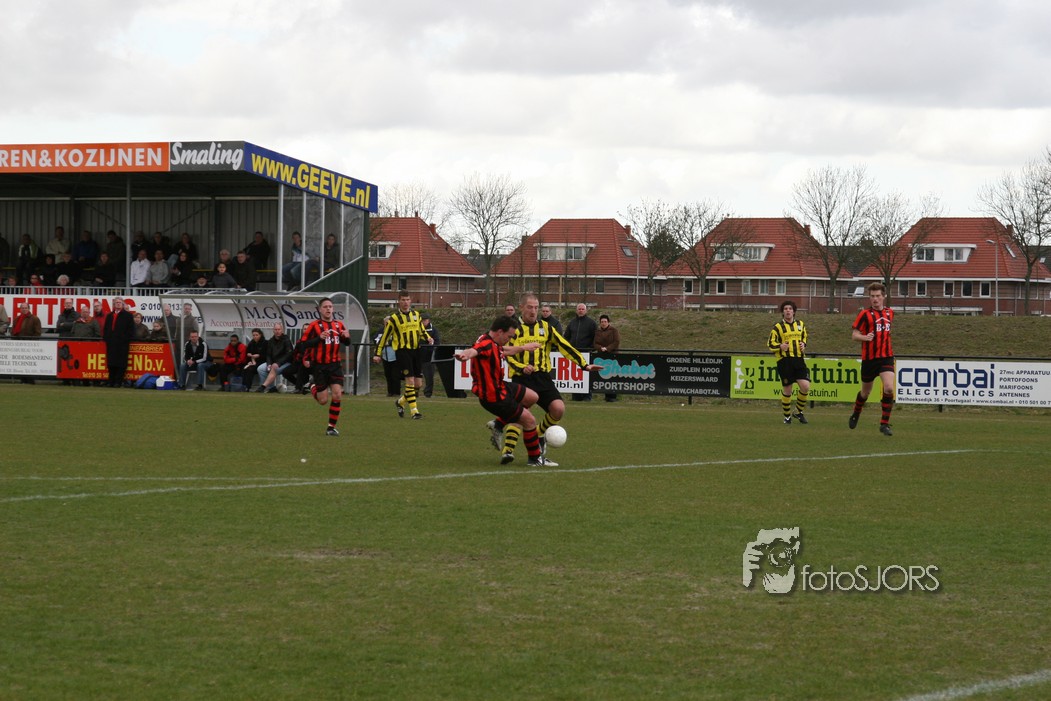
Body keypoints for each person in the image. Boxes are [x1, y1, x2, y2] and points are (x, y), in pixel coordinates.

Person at [494, 293, 601, 465]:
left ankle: (537, 434)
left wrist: (584, 365)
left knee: (558, 409)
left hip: (543, 377)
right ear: (521, 308)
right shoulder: (514, 329)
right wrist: (521, 367)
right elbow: (505, 353)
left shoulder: (546, 327)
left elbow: (564, 346)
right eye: (530, 307)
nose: (533, 311)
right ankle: (508, 451)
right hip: (522, 377)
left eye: (536, 307)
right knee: (522, 414)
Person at [455, 315, 548, 467]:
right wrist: (464, 355)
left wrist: (524, 348)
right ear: (499, 332)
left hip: (501, 386)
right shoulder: (486, 344)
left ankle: (498, 424)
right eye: (509, 336)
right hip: (494, 397)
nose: (509, 340)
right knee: (529, 421)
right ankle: (535, 459)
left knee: (532, 397)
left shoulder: (491, 340)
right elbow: (473, 350)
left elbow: (503, 350)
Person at [372, 290, 433, 419]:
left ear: (411, 301)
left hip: (416, 351)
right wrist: (377, 353)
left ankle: (400, 402)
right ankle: (414, 412)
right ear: (398, 301)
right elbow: (384, 337)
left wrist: (428, 338)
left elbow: (421, 330)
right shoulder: (394, 319)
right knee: (409, 381)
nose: (405, 302)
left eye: (407, 300)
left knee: (418, 384)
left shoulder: (416, 315)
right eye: (403, 300)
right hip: (402, 351)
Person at [300, 297, 352, 435]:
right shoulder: (314, 326)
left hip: (335, 365)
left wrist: (347, 337)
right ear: (320, 309)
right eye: (325, 307)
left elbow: (347, 343)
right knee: (323, 400)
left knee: (337, 395)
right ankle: (311, 386)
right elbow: (303, 344)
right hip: (320, 367)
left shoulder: (338, 325)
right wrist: (318, 338)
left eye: (330, 306)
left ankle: (331, 428)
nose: (328, 309)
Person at [850, 282, 896, 436]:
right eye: (872, 296)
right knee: (865, 393)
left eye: (877, 296)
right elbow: (854, 335)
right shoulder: (864, 314)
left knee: (888, 388)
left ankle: (884, 424)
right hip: (869, 360)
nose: (875, 299)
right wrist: (865, 337)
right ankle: (856, 412)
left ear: (884, 296)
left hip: (886, 357)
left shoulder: (890, 313)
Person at [769, 300, 810, 425]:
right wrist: (780, 346)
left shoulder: (800, 324)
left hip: (799, 359)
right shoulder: (778, 327)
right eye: (785, 309)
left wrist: (804, 344)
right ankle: (787, 417)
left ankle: (798, 412)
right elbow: (770, 343)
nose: (788, 311)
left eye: (790, 309)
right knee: (788, 389)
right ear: (783, 312)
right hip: (785, 361)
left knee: (805, 386)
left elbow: (804, 337)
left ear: (794, 311)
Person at [565, 302, 597, 401]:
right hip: (574, 354)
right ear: (576, 310)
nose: (581, 311)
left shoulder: (591, 323)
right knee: (575, 375)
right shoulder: (572, 323)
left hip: (586, 353)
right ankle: (576, 395)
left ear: (586, 311)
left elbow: (595, 337)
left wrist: (591, 348)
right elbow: (566, 337)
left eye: (583, 309)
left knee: (586, 375)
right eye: (579, 309)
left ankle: (587, 396)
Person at [101, 297, 135, 387]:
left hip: (122, 344)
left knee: (121, 363)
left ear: (123, 304)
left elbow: (131, 330)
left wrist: (124, 339)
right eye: (116, 302)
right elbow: (106, 329)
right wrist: (107, 339)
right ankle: (111, 381)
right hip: (111, 343)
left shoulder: (128, 316)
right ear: (114, 304)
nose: (118, 304)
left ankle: (118, 382)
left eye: (120, 302)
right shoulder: (109, 315)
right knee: (111, 363)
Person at [257, 322, 293, 393]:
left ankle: (263, 387)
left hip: (285, 363)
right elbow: (268, 355)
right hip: (274, 362)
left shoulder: (286, 339)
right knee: (260, 369)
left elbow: (289, 354)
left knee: (274, 368)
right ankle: (270, 388)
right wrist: (269, 364)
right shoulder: (271, 341)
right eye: (276, 329)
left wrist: (278, 363)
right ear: (273, 330)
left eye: (279, 329)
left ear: (282, 330)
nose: (277, 331)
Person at [593, 313, 622, 402]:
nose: (603, 323)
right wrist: (600, 348)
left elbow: (616, 341)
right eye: (602, 322)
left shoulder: (614, 330)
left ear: (608, 322)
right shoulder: (597, 332)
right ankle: (606, 395)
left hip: (612, 355)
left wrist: (607, 348)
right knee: (604, 375)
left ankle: (613, 396)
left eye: (605, 321)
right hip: (602, 356)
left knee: (613, 376)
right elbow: (595, 343)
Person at [421, 313, 440, 397]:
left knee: (429, 377)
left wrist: (430, 345)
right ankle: (414, 392)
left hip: (428, 357)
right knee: (415, 376)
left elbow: (437, 342)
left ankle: (428, 393)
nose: (423, 322)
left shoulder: (434, 330)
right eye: (421, 320)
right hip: (417, 356)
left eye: (425, 320)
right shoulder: (416, 329)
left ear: (428, 320)